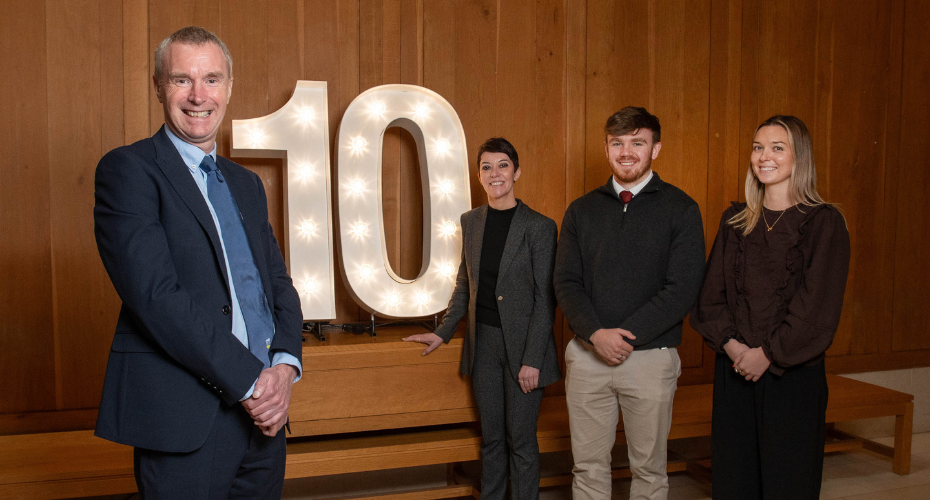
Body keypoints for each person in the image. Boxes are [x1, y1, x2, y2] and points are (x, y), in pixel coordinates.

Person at [93, 26, 303, 498]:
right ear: (158, 86)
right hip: (184, 421)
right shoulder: (129, 170)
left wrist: (284, 369)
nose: (197, 95)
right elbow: (156, 298)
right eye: (181, 80)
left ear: (229, 87)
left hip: (266, 419)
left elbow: (275, 284)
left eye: (211, 79)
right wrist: (253, 382)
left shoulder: (245, 183)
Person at [690, 115, 850, 499]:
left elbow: (817, 310)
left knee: (788, 483)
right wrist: (735, 348)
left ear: (800, 158)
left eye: (778, 148)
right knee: (734, 481)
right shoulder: (735, 221)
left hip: (792, 376)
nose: (765, 156)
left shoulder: (824, 223)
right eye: (758, 147)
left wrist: (767, 354)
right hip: (735, 371)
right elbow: (710, 300)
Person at [554, 107, 706, 500]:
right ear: (606, 149)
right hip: (588, 357)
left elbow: (682, 288)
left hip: (651, 359)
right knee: (587, 467)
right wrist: (596, 334)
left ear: (655, 148)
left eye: (637, 142)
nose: (626, 152)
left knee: (650, 470)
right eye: (617, 143)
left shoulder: (682, 209)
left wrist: (623, 338)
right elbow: (566, 281)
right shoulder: (581, 210)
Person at [403, 138, 561, 500]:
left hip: (524, 350)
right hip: (484, 345)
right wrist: (442, 332)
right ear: (479, 175)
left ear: (517, 172)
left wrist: (532, 359)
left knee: (520, 440)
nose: (495, 174)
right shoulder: (470, 221)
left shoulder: (540, 227)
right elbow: (465, 284)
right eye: (487, 167)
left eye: (503, 165)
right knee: (491, 440)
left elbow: (544, 299)